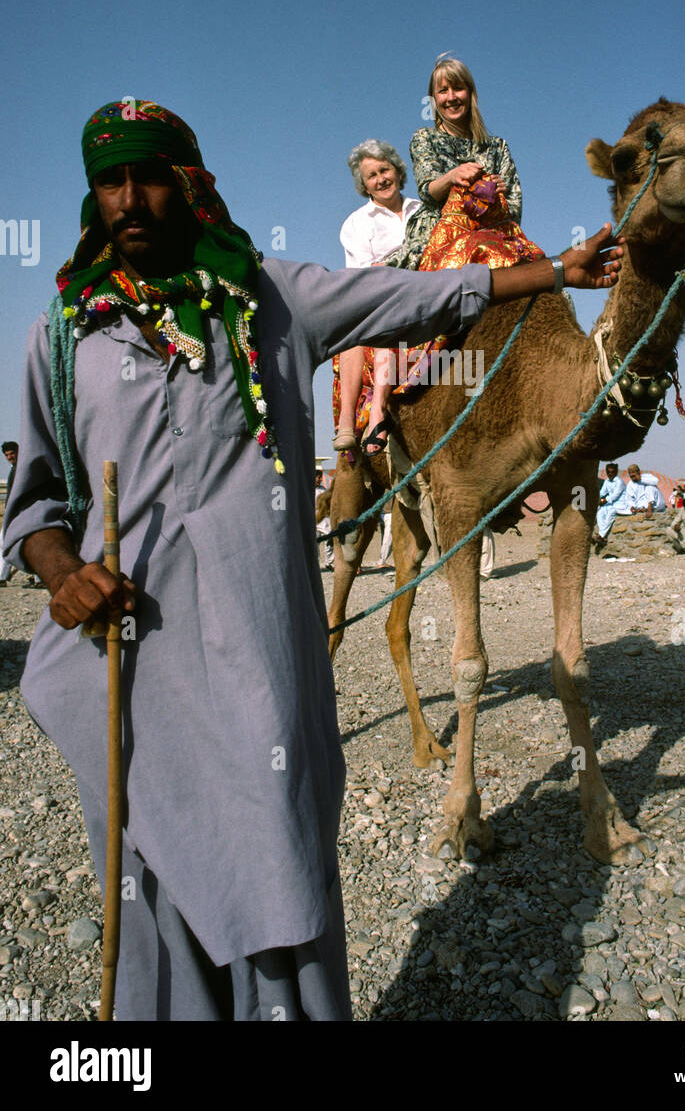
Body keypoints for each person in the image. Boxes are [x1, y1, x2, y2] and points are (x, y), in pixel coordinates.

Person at [2, 98, 624, 1022]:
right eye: (110, 180)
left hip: (263, 655)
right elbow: (38, 503)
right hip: (129, 668)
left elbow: (405, 297)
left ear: (191, 186)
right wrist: (61, 573)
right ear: (93, 195)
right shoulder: (61, 335)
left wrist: (550, 275)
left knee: (277, 848)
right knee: (146, 873)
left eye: (150, 178)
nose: (129, 199)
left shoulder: (269, 299)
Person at [391, 56, 523, 271]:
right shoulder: (424, 138)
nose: (451, 97)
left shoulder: (497, 147)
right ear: (434, 99)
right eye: (443, 91)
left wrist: (499, 196)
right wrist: (452, 176)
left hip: (493, 234)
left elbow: (515, 207)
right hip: (437, 232)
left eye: (458, 89)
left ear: (470, 93)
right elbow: (428, 190)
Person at [334, 141, 420, 456]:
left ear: (397, 171)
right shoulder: (357, 222)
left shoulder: (422, 210)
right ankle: (362, 418)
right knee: (361, 326)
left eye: (385, 170)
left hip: (425, 288)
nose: (380, 179)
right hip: (380, 293)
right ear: (364, 185)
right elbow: (360, 275)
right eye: (372, 175)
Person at [593, 463, 666, 550]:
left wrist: (641, 479)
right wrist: (632, 506)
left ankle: (649, 507)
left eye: (633, 472)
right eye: (630, 473)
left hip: (655, 504)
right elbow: (629, 499)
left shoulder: (647, 477)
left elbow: (655, 481)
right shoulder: (631, 484)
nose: (631, 475)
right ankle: (601, 535)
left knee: (650, 487)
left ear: (638, 472)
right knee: (604, 511)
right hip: (640, 506)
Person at [0, 442, 19, 585]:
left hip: (19, 513)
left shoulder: (21, 469)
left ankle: (2, 576)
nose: (9, 457)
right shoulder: (15, 469)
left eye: (11, 453)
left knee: (4, 542)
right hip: (13, 513)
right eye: (7, 455)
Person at [593, 462, 625, 546]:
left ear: (616, 472)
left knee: (611, 513)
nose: (610, 474)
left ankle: (601, 535)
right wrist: (596, 499)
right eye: (608, 472)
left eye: (612, 472)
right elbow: (602, 492)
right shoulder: (607, 481)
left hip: (620, 504)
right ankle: (602, 537)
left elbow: (614, 496)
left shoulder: (619, 482)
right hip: (609, 504)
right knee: (600, 512)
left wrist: (602, 501)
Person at [315, 470, 334, 570]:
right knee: (314, 544)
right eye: (319, 477)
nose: (321, 479)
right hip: (313, 521)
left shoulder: (323, 490)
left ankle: (330, 562)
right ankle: (315, 564)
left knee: (329, 541)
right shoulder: (306, 490)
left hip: (325, 521)